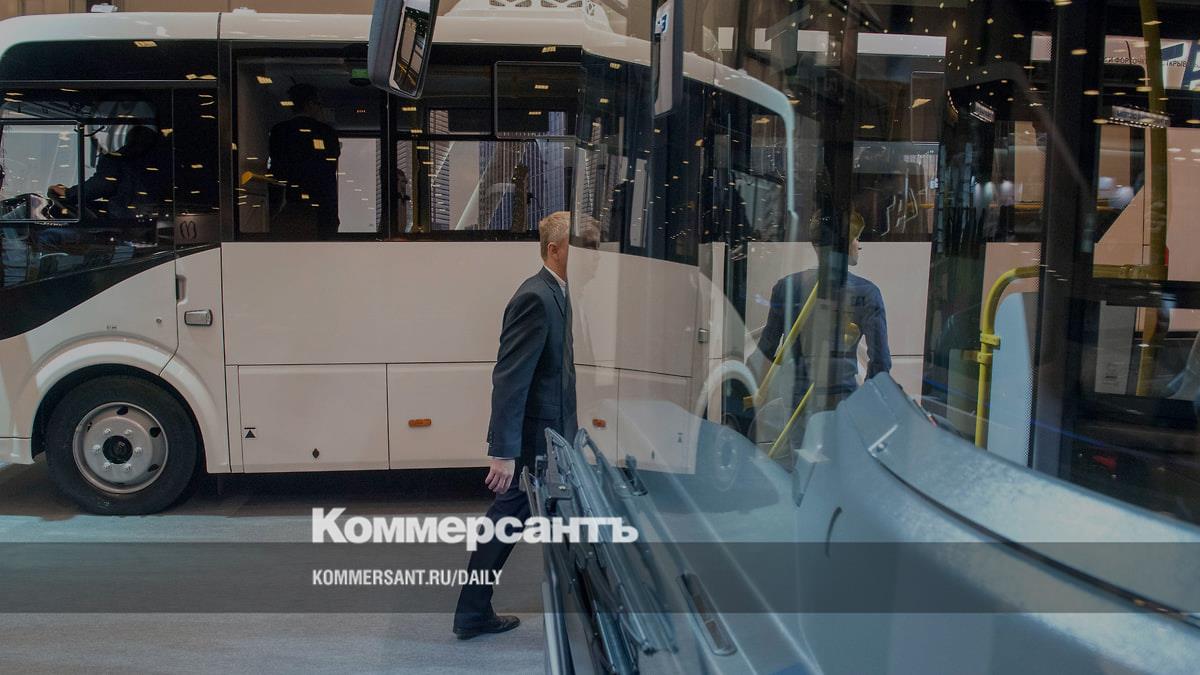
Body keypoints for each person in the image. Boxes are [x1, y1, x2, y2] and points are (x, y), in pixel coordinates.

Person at [453, 211, 578, 640]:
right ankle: (472, 612)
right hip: (534, 442)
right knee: (506, 519)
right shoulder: (535, 298)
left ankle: (477, 611)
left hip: (554, 438)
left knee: (529, 519)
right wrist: (504, 452)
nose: (594, 257)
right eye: (583, 247)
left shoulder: (559, 293)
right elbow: (510, 378)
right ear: (554, 250)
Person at [755, 210, 891, 411]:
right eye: (856, 238)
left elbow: (765, 351)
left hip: (795, 402)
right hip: (842, 402)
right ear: (843, 244)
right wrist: (862, 404)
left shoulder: (787, 287)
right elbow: (881, 363)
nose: (859, 245)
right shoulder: (867, 292)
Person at [267, 83, 340, 240]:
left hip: (290, 205)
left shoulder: (280, 131)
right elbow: (329, 170)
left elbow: (277, 170)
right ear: (310, 104)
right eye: (319, 104)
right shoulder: (326, 133)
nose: (320, 109)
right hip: (322, 208)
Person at [50, 125, 167, 218]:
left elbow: (102, 185)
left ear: (129, 141)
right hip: (160, 218)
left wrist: (69, 193)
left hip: (127, 220)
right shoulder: (165, 161)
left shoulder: (117, 159)